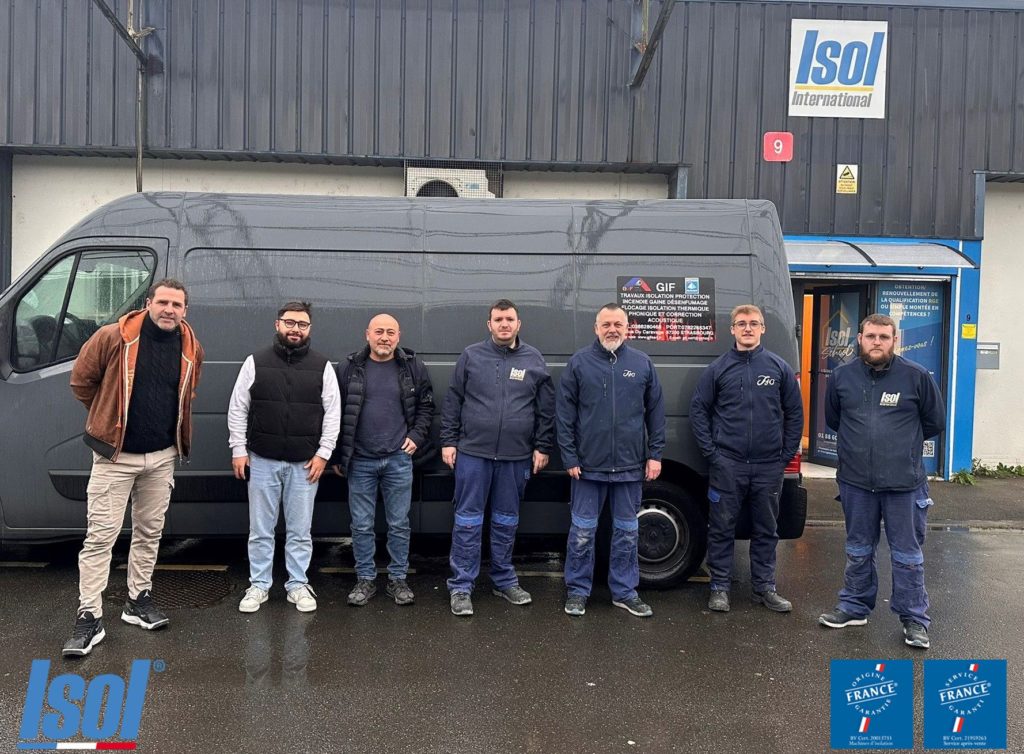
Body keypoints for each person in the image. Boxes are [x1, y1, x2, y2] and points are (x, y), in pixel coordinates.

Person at [63, 279, 204, 657]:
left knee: (150, 532)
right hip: (115, 458)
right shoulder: (113, 337)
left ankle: (137, 600)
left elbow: (187, 393)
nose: (169, 309)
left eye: (177, 304)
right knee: (100, 538)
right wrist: (108, 418)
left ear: (185, 310)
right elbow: (81, 382)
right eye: (163, 302)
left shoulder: (191, 346)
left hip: (161, 457)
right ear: (148, 303)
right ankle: (89, 616)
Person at [818, 313, 945, 650]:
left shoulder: (916, 377)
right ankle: (854, 606)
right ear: (859, 338)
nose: (877, 342)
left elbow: (934, 422)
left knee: (907, 555)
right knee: (858, 549)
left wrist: (898, 450)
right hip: (856, 482)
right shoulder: (841, 377)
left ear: (894, 341)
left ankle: (914, 619)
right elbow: (834, 420)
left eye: (884, 337)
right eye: (871, 336)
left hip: (904, 484)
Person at [441, 299, 555, 617]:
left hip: (515, 457)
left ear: (519, 324)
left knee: (506, 521)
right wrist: (449, 441)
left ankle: (504, 580)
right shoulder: (471, 356)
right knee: (467, 521)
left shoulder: (534, 359)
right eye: (498, 319)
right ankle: (461, 586)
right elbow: (453, 400)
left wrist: (543, 446)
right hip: (472, 453)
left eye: (509, 319)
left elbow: (546, 409)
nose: (504, 324)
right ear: (489, 324)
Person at [690, 304, 803, 614]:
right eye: (741, 323)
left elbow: (795, 413)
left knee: (766, 529)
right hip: (728, 464)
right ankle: (719, 588)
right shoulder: (718, 369)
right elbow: (698, 410)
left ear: (763, 328)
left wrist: (784, 456)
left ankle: (764, 588)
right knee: (721, 528)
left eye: (754, 323)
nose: (748, 328)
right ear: (733, 330)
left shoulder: (778, 368)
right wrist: (712, 454)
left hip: (769, 466)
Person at [229, 302, 340, 614]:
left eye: (302, 324)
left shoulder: (322, 366)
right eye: (290, 322)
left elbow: (333, 413)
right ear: (277, 324)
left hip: (305, 464)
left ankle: (297, 584)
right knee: (260, 530)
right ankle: (259, 585)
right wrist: (239, 449)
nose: (295, 329)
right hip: (262, 459)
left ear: (309, 329)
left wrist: (323, 454)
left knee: (300, 532)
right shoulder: (255, 362)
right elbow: (238, 407)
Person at [556, 303, 665, 618]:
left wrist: (655, 454)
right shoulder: (579, 363)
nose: (612, 330)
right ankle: (577, 591)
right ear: (596, 328)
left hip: (630, 467)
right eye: (606, 324)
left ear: (627, 328)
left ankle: (625, 592)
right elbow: (564, 415)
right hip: (587, 468)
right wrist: (570, 456)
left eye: (618, 324)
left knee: (627, 533)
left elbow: (656, 413)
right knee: (582, 532)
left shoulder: (642, 364)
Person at [333, 313, 434, 607]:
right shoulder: (349, 368)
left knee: (399, 524)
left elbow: (427, 407)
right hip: (360, 461)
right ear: (368, 334)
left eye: (391, 332)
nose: (385, 337)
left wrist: (416, 436)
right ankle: (365, 579)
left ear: (398, 336)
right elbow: (335, 412)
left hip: (398, 459)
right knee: (361, 525)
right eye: (379, 331)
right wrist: (339, 453)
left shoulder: (413, 367)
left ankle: (397, 579)